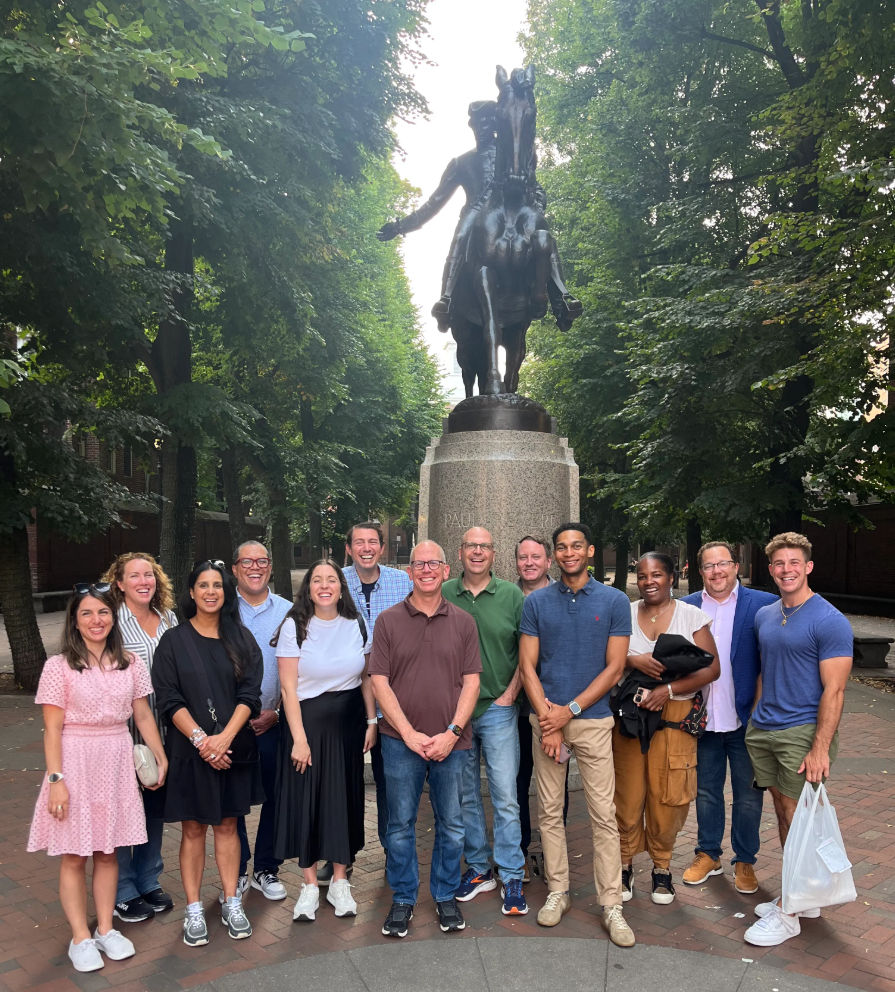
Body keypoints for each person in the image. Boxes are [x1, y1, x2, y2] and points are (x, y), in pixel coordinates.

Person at [27, 583, 168, 973]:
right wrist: (56, 779)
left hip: (117, 759)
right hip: (74, 760)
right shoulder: (59, 667)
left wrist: (158, 753)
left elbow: (141, 714)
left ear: (114, 617)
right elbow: (52, 729)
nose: (96, 620)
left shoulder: (130, 662)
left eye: (103, 612)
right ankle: (80, 937)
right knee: (75, 854)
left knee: (108, 852)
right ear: (74, 619)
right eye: (87, 613)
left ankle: (106, 927)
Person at [518, 522, 636, 948]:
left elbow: (615, 667)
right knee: (549, 811)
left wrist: (566, 713)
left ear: (589, 551)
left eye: (576, 546)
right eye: (561, 547)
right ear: (554, 555)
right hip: (547, 721)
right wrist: (549, 718)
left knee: (603, 814)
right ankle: (558, 892)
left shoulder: (615, 601)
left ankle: (611, 904)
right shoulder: (536, 603)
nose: (569, 553)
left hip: (591, 721)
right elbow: (528, 666)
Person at [743, 532, 853, 947]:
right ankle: (801, 895)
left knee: (799, 818)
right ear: (771, 569)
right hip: (766, 728)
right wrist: (756, 714)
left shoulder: (829, 620)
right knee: (785, 814)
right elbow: (764, 669)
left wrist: (820, 746)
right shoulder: (767, 615)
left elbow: (836, 690)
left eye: (794, 563)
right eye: (778, 564)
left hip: (801, 733)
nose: (786, 570)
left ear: (808, 567)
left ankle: (789, 913)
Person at [370, 540, 481, 938]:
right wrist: (409, 733)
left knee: (452, 824)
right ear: (410, 571)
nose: (427, 570)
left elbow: (472, 682)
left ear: (446, 570)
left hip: (452, 742)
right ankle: (403, 898)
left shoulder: (465, 622)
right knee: (399, 825)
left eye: (434, 563)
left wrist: (451, 732)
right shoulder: (388, 621)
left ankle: (445, 894)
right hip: (401, 743)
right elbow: (379, 681)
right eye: (420, 564)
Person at [152, 560, 264, 947]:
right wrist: (203, 741)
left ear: (226, 592)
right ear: (192, 592)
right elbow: (168, 698)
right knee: (194, 827)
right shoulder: (173, 642)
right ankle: (194, 908)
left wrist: (223, 740)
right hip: (189, 751)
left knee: (229, 826)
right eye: (203, 585)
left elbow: (251, 694)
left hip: (231, 749)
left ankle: (232, 900)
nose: (211, 591)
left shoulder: (242, 639)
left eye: (218, 585)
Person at [273, 559, 378, 922]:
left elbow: (366, 677)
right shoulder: (294, 625)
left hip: (348, 723)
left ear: (340, 585)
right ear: (308, 588)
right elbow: (287, 688)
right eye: (316, 580)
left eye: (330, 579)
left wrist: (370, 721)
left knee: (344, 799)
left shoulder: (356, 624)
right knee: (308, 801)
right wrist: (299, 740)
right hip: (307, 725)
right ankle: (307, 885)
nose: (324, 585)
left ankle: (339, 880)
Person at [613, 553, 720, 907]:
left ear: (671, 577)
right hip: (631, 717)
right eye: (642, 575)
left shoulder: (692, 616)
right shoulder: (624, 612)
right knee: (626, 796)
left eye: (657, 574)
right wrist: (632, 659)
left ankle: (662, 869)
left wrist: (668, 690)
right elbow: (609, 658)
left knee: (669, 796)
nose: (649, 581)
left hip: (674, 716)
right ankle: (624, 866)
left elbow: (712, 670)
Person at [680, 542, 777, 894]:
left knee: (749, 795)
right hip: (703, 720)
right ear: (699, 570)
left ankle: (745, 860)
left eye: (723, 564)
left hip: (747, 720)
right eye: (709, 566)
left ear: (736, 567)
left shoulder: (763, 606)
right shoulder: (687, 607)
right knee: (706, 792)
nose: (716, 571)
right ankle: (708, 853)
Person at [442, 527, 527, 916]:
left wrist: (512, 691)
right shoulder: (444, 593)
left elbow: (527, 651)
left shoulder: (511, 595)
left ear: (494, 554)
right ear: (460, 553)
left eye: (484, 546)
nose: (477, 552)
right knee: (465, 797)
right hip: (457, 711)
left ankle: (512, 873)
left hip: (497, 707)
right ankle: (480, 868)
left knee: (505, 794)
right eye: (471, 546)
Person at [100, 553, 178, 924]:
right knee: (119, 810)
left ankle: (149, 879)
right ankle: (123, 889)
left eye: (149, 574)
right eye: (134, 576)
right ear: (119, 583)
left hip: (164, 729)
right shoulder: (110, 622)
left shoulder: (169, 619)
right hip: (122, 732)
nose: (144, 581)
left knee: (153, 807)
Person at [339, 520, 412, 875]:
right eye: (359, 542)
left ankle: (391, 851)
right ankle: (341, 853)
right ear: (349, 548)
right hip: (343, 697)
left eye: (372, 542)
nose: (366, 548)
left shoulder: (402, 582)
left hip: (390, 698)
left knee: (389, 781)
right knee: (342, 780)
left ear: (381, 548)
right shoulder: (333, 581)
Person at [230, 541, 291, 902]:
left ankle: (266, 867)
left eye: (263, 561)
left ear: (270, 566)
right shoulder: (221, 611)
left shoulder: (288, 611)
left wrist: (278, 712)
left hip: (273, 721)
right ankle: (236, 867)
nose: (256, 567)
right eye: (247, 561)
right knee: (233, 800)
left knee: (276, 796)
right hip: (229, 728)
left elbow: (299, 670)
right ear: (235, 568)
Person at [513, 535, 566, 882]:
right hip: (517, 711)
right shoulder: (507, 597)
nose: (529, 562)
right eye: (523, 557)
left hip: (556, 712)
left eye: (536, 557)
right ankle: (518, 852)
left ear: (549, 562)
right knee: (516, 783)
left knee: (555, 788)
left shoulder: (564, 597)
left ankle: (552, 855)